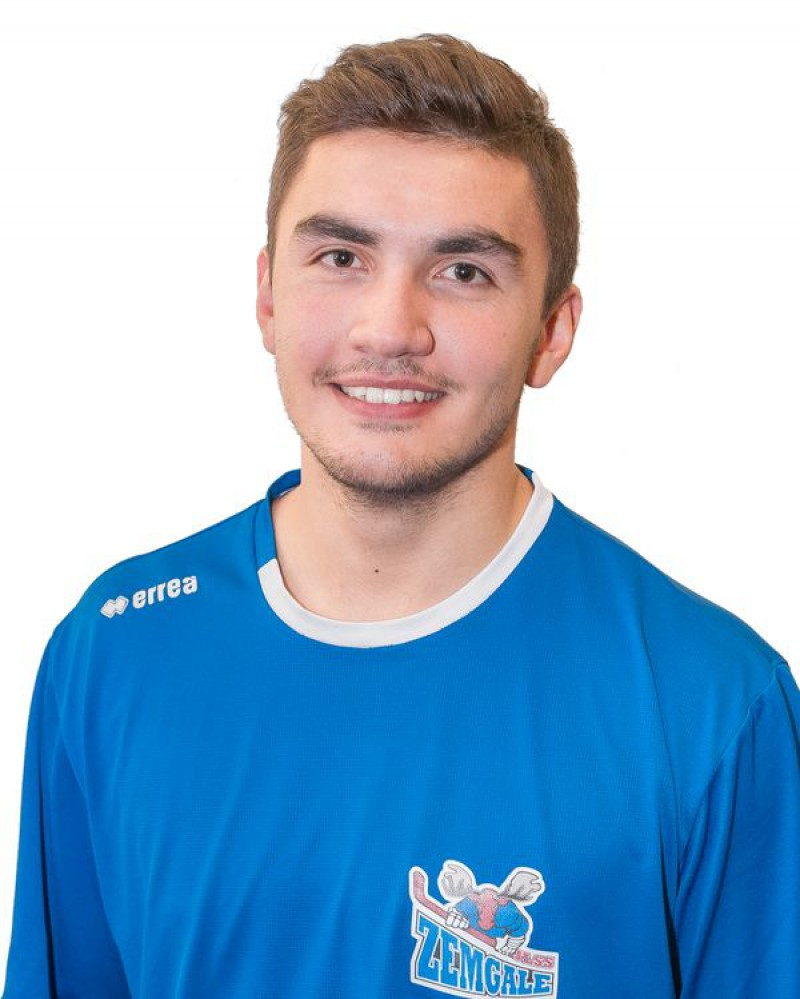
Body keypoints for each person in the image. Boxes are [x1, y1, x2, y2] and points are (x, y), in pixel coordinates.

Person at [2, 32, 798, 999]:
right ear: (266, 296)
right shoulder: (112, 652)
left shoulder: (712, 703)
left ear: (552, 332)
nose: (389, 328)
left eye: (463, 271)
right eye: (341, 256)